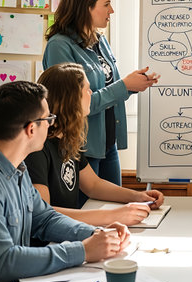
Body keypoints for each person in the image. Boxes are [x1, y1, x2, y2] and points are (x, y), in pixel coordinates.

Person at [0, 81, 130, 282]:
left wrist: (96, 235)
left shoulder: (17, 168)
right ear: (31, 129)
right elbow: (2, 261)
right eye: (48, 119)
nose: (51, 125)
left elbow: (44, 217)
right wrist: (83, 250)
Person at [43, 0, 160, 193]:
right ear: (85, 6)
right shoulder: (59, 46)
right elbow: (73, 105)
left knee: (115, 211)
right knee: (89, 217)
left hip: (108, 145)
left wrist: (134, 85)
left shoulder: (100, 40)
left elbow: (108, 89)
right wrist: (124, 86)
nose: (111, 11)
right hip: (82, 149)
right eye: (106, 4)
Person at [25, 63, 164, 226]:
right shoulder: (38, 148)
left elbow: (93, 185)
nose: (91, 94)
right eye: (87, 89)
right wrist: (113, 216)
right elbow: (43, 214)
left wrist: (139, 196)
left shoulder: (67, 139)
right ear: (72, 99)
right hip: (49, 243)